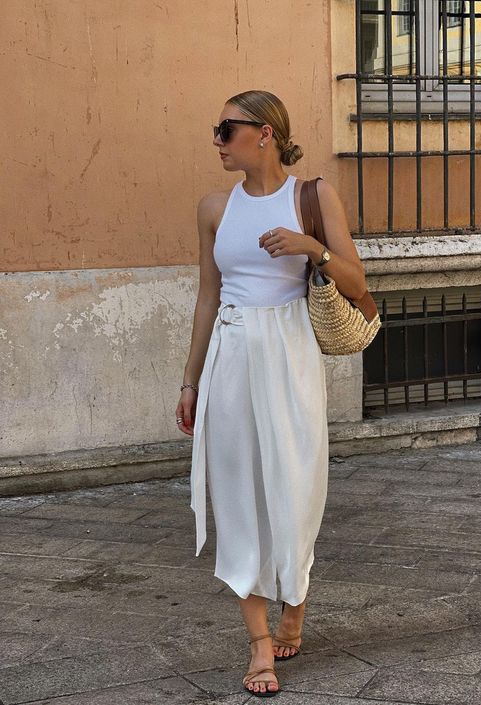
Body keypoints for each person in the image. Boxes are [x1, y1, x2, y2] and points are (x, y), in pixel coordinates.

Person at [176, 90, 367, 697]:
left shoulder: (311, 196)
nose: (217, 140)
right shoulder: (213, 207)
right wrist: (189, 380)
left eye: (225, 128)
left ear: (265, 133)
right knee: (237, 493)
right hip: (231, 357)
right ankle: (261, 644)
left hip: (290, 355)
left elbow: (359, 281)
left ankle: (296, 600)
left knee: (296, 485)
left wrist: (311, 247)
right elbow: (208, 296)